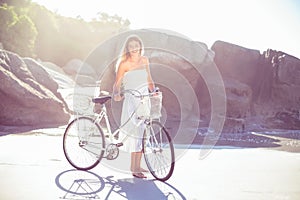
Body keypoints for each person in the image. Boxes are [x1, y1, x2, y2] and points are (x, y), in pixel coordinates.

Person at [113, 35, 156, 178]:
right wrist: (116, 94)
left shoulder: (144, 60)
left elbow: (149, 78)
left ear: (140, 46)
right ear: (127, 48)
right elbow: (117, 83)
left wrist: (154, 91)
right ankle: (134, 168)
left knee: (144, 131)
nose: (133, 48)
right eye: (130, 46)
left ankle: (138, 165)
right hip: (131, 100)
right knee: (136, 132)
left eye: (136, 45)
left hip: (144, 99)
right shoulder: (124, 63)